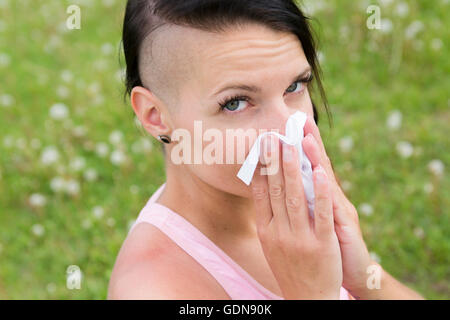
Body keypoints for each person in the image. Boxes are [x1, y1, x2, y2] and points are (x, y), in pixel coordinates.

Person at [108, 0, 424, 300]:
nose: (287, 131)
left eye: (295, 86)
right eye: (235, 103)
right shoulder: (152, 288)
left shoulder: (297, 194)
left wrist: (364, 278)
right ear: (155, 115)